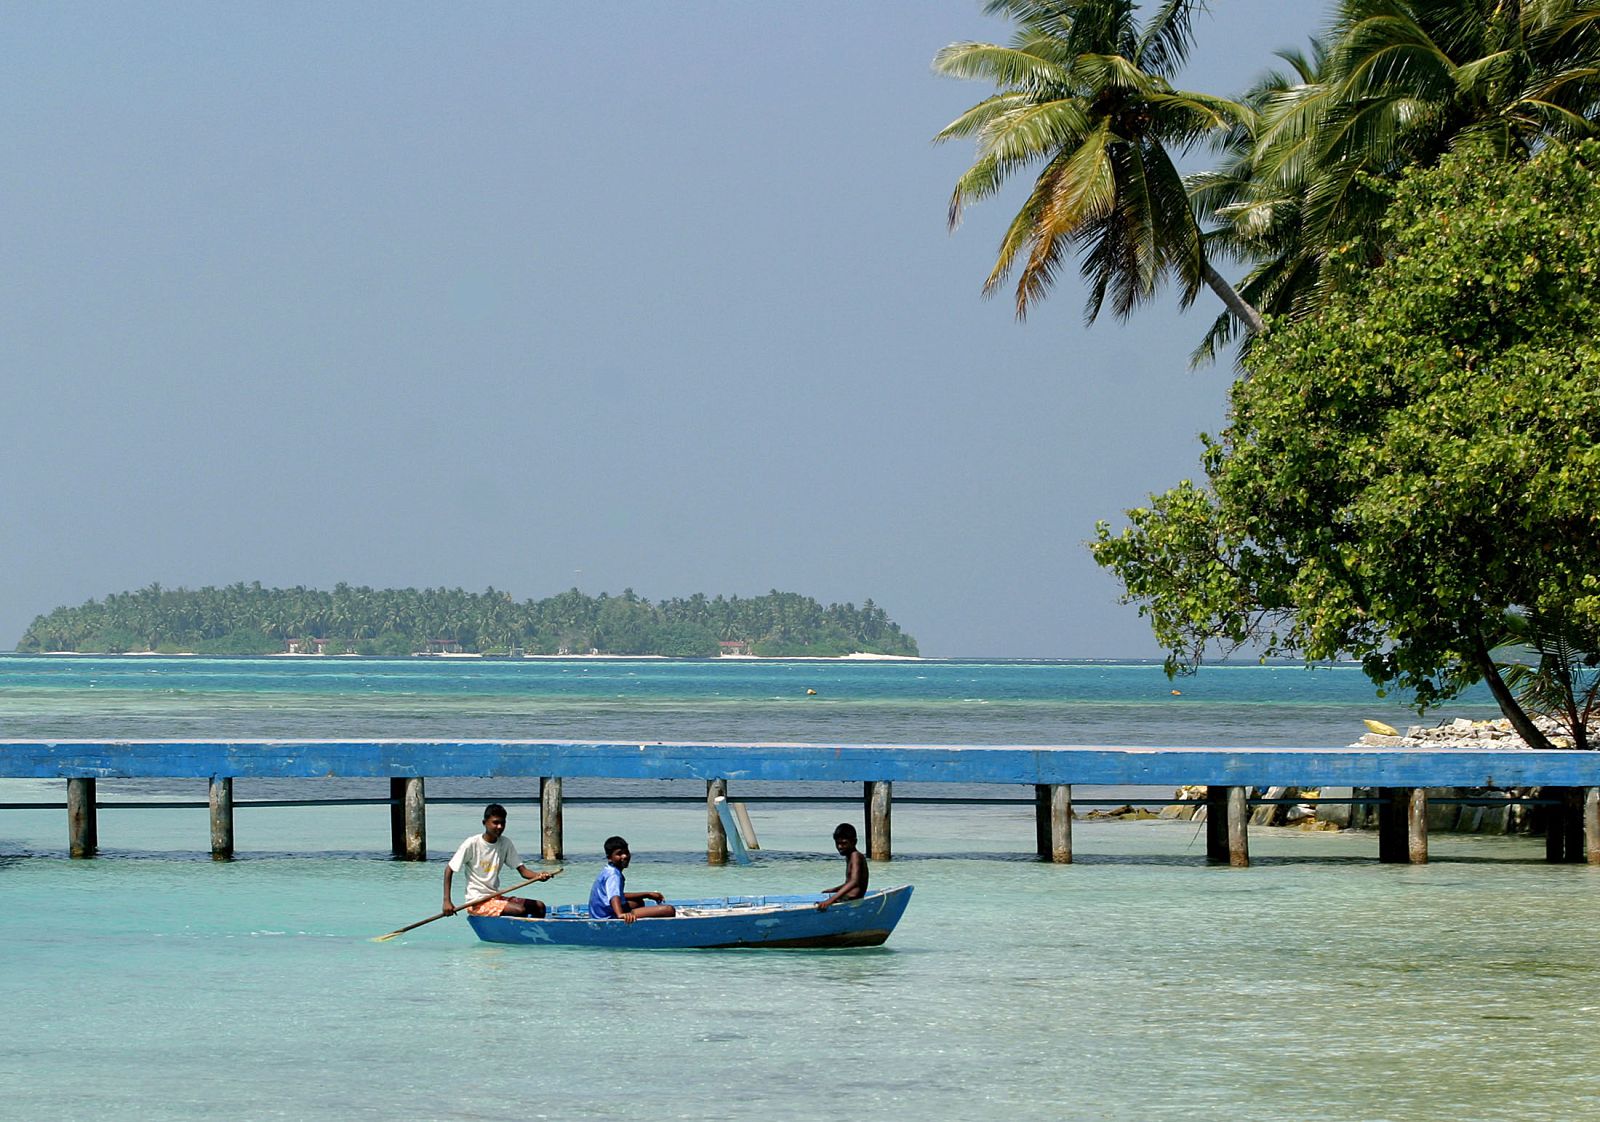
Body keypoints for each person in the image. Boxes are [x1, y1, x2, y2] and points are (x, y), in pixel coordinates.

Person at [443, 803, 555, 919]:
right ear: (484, 823)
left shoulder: (505, 843)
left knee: (539, 906)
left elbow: (523, 871)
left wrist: (539, 876)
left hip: (496, 898)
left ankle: (535, 934)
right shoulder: (472, 844)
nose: (500, 827)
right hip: (477, 903)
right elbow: (449, 870)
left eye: (503, 823)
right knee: (519, 910)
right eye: (495, 823)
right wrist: (447, 901)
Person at [588, 835, 676, 923]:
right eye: (619, 854)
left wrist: (648, 894)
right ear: (609, 858)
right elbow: (614, 897)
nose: (625, 856)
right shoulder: (613, 875)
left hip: (599, 913)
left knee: (638, 903)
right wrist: (620, 914)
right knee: (668, 910)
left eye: (626, 852)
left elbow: (618, 894)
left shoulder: (608, 869)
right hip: (608, 917)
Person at [816, 822, 867, 910]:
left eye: (844, 843)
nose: (840, 846)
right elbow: (850, 882)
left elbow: (854, 882)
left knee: (820, 906)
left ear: (854, 842)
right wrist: (834, 889)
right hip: (847, 898)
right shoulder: (849, 856)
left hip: (852, 899)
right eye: (837, 843)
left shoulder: (855, 856)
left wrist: (830, 900)